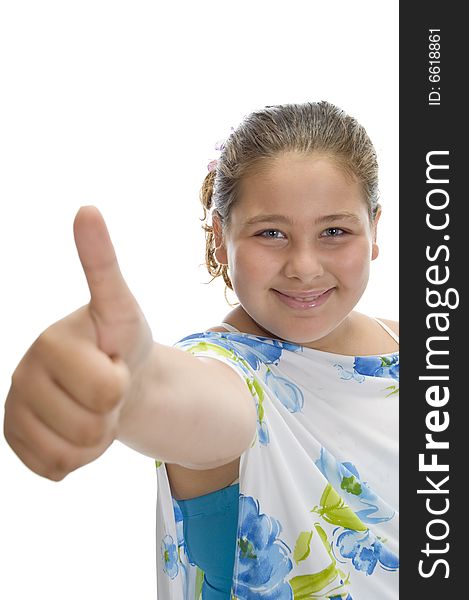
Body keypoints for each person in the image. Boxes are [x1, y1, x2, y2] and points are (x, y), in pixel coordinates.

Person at [3, 101, 399, 599]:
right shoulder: (229, 373)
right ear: (220, 238)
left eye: (334, 232)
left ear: (375, 229)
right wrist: (133, 384)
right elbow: (195, 402)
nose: (304, 266)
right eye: (271, 233)